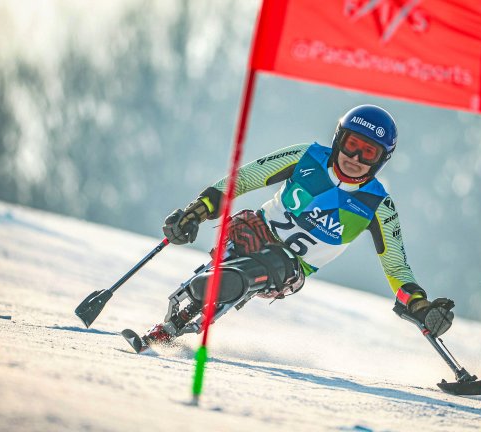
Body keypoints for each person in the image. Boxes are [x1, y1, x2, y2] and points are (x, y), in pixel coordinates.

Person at [140, 104, 455, 348]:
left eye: (368, 152)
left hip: (288, 269)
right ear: (338, 139)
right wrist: (198, 210)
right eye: (351, 144)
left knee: (271, 265)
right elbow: (246, 179)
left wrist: (420, 305)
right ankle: (178, 318)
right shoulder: (308, 157)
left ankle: (218, 288)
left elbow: (397, 268)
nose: (355, 157)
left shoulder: (378, 205)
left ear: (381, 160)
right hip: (254, 232)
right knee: (240, 252)